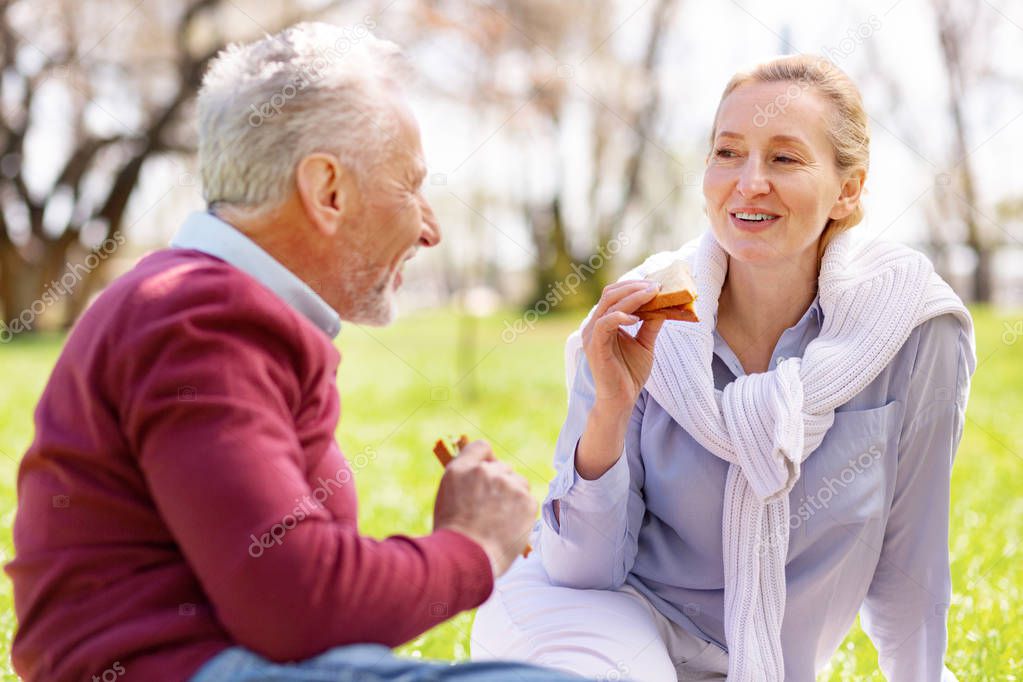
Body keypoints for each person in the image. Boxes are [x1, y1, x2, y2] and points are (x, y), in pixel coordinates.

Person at [6, 23, 583, 682]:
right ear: (328, 191)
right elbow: (295, 604)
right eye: (411, 185)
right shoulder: (199, 316)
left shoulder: (199, 304)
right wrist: (473, 546)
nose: (430, 227)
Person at [471, 54, 975, 682]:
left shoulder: (911, 329)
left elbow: (911, 563)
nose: (749, 182)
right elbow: (581, 571)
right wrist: (610, 410)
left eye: (784, 158)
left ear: (847, 191)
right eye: (727, 153)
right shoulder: (640, 318)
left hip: (750, 662)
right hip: (591, 623)